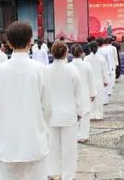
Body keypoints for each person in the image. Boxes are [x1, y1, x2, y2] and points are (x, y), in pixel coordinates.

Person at [0, 22, 50, 180]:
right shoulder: (40, 70)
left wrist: (1, 129)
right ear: (31, 41)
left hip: (7, 140)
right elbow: (48, 108)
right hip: (34, 138)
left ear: (8, 43)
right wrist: (44, 129)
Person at [46, 41, 84, 180]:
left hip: (50, 115)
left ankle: (52, 172)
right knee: (69, 149)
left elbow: (42, 95)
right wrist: (80, 112)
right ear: (66, 53)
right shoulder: (72, 70)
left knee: (52, 146)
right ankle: (68, 176)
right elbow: (78, 94)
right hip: (69, 114)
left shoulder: (45, 70)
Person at [70, 44, 96, 142]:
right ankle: (84, 135)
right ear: (82, 53)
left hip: (72, 94)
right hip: (85, 93)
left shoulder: (69, 66)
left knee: (74, 115)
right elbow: (91, 81)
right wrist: (92, 93)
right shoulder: (87, 65)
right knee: (85, 115)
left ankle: (74, 134)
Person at [84, 41, 108, 120]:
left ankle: (91, 114)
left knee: (90, 98)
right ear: (97, 48)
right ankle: (99, 115)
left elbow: (84, 71)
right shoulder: (101, 58)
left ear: (89, 48)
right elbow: (105, 71)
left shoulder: (86, 58)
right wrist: (106, 80)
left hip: (89, 81)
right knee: (99, 99)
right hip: (99, 81)